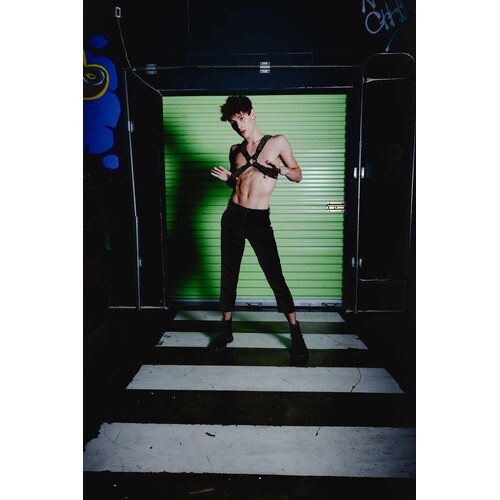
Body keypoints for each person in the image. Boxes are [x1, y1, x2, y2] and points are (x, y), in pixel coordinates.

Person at [209, 95, 308, 363]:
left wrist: (284, 171)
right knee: (229, 272)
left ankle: (295, 332)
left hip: (258, 219)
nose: (239, 126)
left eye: (241, 119)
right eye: (233, 122)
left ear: (252, 113)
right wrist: (228, 179)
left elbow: (298, 175)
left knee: (274, 273)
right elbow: (239, 184)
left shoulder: (277, 142)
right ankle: (226, 329)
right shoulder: (235, 149)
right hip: (232, 216)